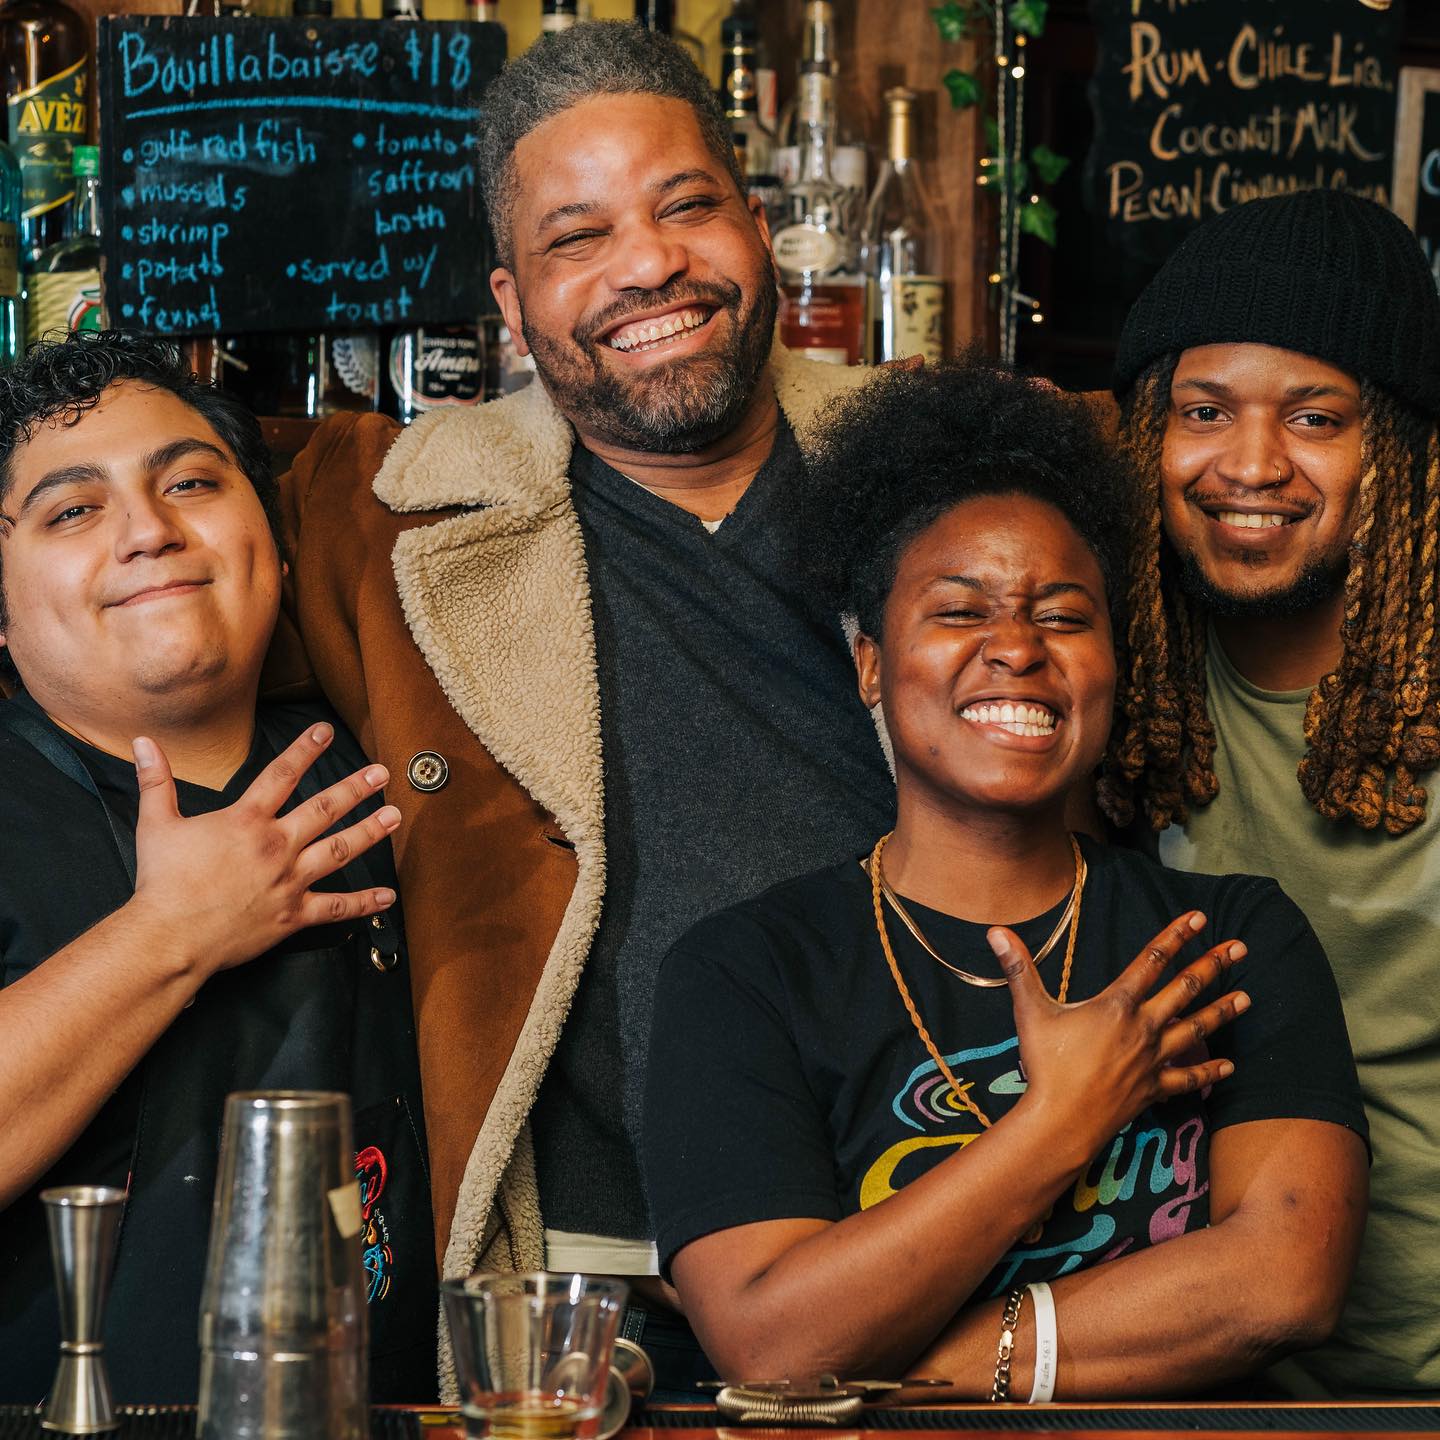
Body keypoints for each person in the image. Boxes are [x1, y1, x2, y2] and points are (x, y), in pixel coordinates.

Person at [273, 20, 895, 1377]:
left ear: (755, 220)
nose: (649, 263)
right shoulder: (381, 526)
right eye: (577, 238)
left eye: (686, 207)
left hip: (931, 1217)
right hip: (580, 1294)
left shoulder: (932, 471)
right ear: (507, 305)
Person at [642, 358, 1369, 1399]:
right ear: (870, 664)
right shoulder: (744, 973)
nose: (1018, 649)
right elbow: (768, 1340)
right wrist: (1061, 1122)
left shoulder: (1230, 935)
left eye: (1066, 616)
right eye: (958, 611)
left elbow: (1284, 1281)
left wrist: (919, 1369)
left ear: (1114, 662)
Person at [0, 332, 435, 1404]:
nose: (150, 531)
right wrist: (172, 930)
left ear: (278, 548)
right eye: (72, 509)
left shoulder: (410, 776)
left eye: (191, 482)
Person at [1107, 188, 1440, 1399]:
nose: (1250, 465)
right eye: (1204, 411)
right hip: (1205, 1379)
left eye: (1316, 417)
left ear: (1395, 449)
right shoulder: (1111, 686)